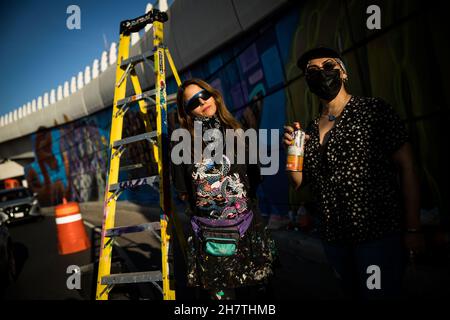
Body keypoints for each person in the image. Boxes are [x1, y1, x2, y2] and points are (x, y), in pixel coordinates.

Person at [283, 47, 425, 299]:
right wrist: (294, 150)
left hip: (376, 236)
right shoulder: (311, 129)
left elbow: (408, 166)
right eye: (312, 71)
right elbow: (299, 183)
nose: (321, 74)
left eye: (328, 67)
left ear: (343, 73)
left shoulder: (373, 110)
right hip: (334, 241)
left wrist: (413, 229)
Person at [172, 78, 276, 300]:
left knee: (258, 297)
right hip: (212, 239)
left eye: (204, 95)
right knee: (223, 300)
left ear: (213, 95)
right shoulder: (182, 143)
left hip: (248, 231)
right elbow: (183, 193)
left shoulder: (238, 132)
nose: (202, 102)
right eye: (193, 103)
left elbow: (254, 179)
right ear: (187, 112)